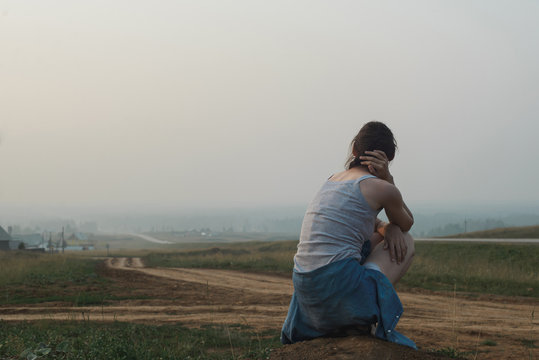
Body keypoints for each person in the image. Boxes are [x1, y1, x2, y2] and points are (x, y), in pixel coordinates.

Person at [280, 121, 416, 349]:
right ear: (388, 159)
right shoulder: (382, 188)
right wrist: (389, 181)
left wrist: (385, 227)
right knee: (406, 242)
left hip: (306, 290)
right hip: (337, 287)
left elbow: (362, 223)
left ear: (354, 150)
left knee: (376, 238)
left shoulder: (331, 181)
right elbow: (406, 223)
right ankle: (365, 316)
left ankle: (349, 314)